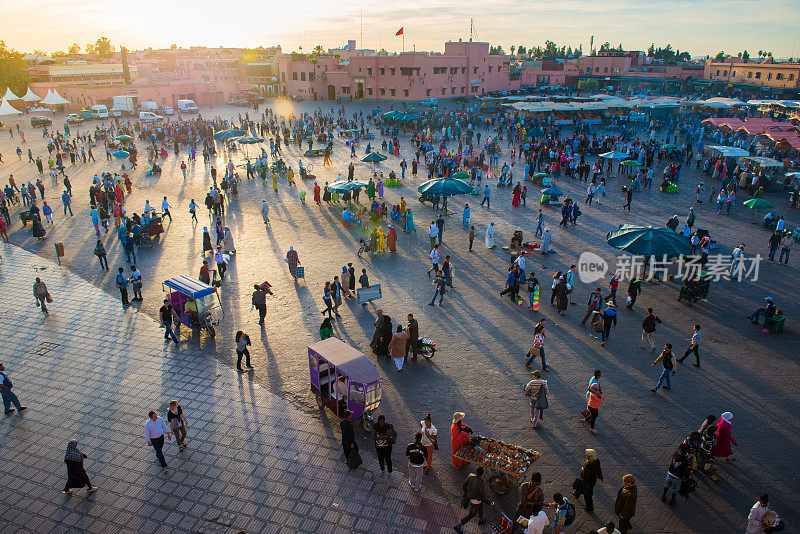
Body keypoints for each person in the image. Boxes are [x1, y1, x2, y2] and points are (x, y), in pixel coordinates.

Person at [454, 467, 491, 533]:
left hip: (470, 497)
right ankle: (458, 525)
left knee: (480, 507)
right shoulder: (481, 484)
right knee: (472, 514)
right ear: (482, 474)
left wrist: (466, 493)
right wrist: (488, 501)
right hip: (476, 501)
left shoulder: (470, 477)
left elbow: (464, 486)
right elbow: (482, 496)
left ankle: (480, 519)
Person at [582, 370, 603, 434]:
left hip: (594, 405)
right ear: (598, 375)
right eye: (600, 374)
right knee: (593, 415)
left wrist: (599, 390)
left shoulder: (596, 380)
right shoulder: (593, 381)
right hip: (591, 401)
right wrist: (599, 394)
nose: (601, 375)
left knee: (594, 415)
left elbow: (598, 385)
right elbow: (589, 388)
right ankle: (591, 426)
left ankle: (587, 418)